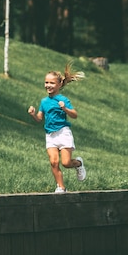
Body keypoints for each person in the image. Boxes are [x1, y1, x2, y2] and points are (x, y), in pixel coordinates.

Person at [27, 63, 86, 193]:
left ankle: (78, 163)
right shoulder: (44, 102)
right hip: (50, 135)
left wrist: (65, 108)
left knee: (65, 163)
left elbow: (74, 115)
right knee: (54, 162)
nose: (48, 85)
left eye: (52, 83)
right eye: (46, 82)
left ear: (59, 84)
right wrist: (33, 114)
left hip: (63, 133)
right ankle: (61, 187)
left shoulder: (63, 99)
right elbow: (39, 119)